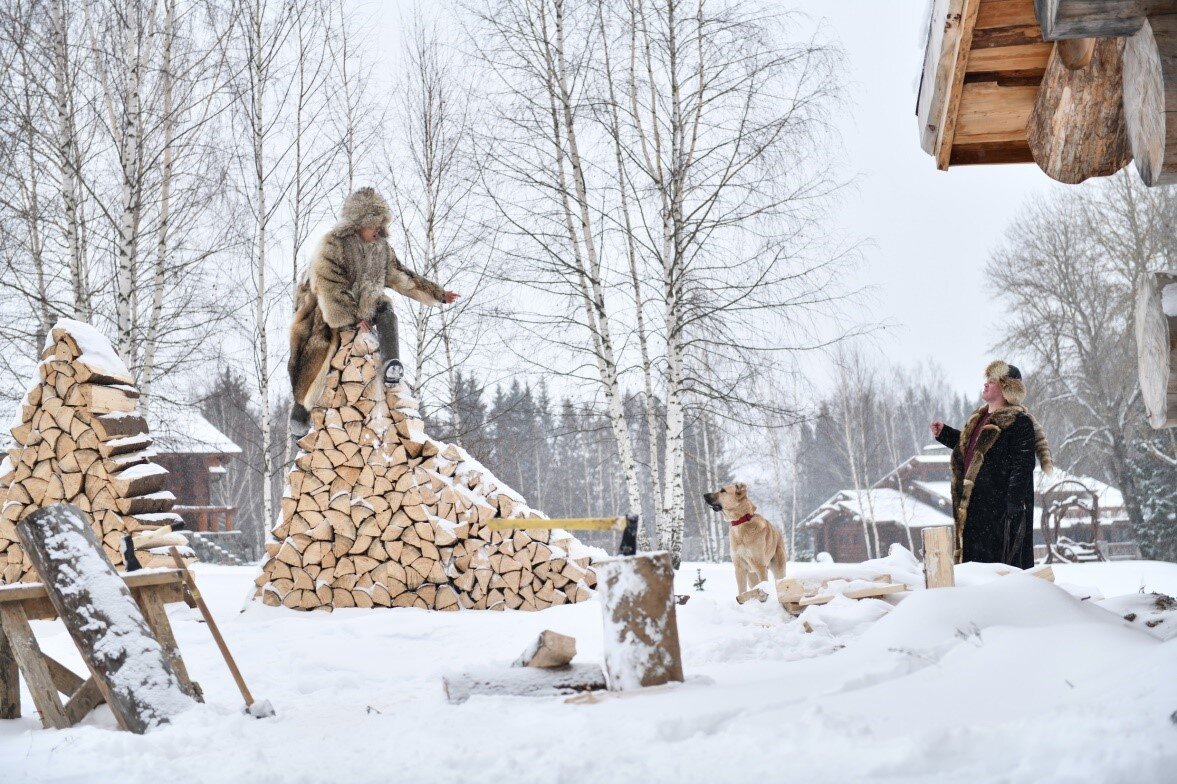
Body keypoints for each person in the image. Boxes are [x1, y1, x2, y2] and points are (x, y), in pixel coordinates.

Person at [288, 187, 459, 437]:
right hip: (322, 309)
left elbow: (401, 276)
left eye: (380, 225)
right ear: (357, 224)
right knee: (314, 354)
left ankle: (391, 364)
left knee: (385, 307)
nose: (377, 230)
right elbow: (329, 288)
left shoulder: (381, 249)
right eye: (372, 225)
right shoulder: (333, 245)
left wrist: (437, 293)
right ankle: (300, 413)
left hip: (361, 303)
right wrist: (353, 319)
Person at [929, 361, 1052, 569]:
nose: (985, 385)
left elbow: (1023, 464)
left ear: (1007, 388)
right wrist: (945, 433)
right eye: (986, 380)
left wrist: (1012, 505)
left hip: (999, 514)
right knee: (973, 570)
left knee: (998, 571)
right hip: (973, 511)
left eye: (992, 381)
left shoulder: (1018, 422)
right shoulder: (979, 419)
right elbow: (972, 449)